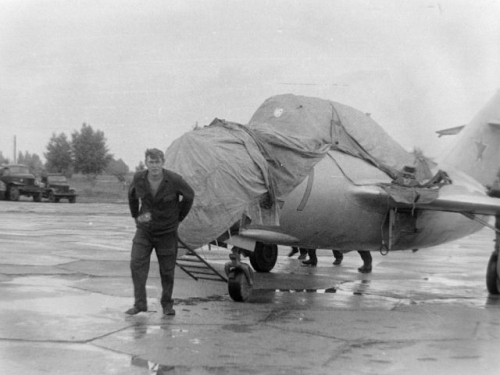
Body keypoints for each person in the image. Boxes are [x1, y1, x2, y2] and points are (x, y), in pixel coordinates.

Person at [125, 148, 195, 316]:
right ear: (146, 162)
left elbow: (189, 196)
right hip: (145, 230)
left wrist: (178, 217)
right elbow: (132, 195)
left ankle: (167, 305)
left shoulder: (174, 180)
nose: (154, 166)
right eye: (151, 162)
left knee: (167, 270)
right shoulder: (139, 178)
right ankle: (140, 304)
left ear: (163, 163)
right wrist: (136, 215)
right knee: (137, 263)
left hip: (167, 232)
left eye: (157, 162)